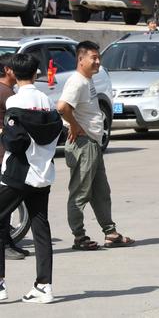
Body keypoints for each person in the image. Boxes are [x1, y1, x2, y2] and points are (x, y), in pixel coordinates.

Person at [57, 41, 134, 251]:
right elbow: (62, 107)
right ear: (81, 59)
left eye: (98, 57)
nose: (98, 61)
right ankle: (79, 237)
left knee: (101, 191)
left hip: (93, 144)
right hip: (83, 145)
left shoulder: (87, 80)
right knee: (80, 194)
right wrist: (75, 126)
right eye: (93, 58)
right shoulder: (77, 82)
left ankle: (110, 233)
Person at [0, 53, 63, 304]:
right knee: (40, 228)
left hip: (19, 172)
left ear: (13, 73)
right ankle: (43, 286)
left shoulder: (16, 101)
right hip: (43, 171)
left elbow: (16, 142)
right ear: (36, 74)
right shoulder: (47, 102)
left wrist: (5, 132)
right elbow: (57, 130)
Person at [0, 55, 28, 261]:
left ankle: (8, 242)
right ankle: (4, 246)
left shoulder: (9, 92)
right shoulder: (4, 92)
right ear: (8, 70)